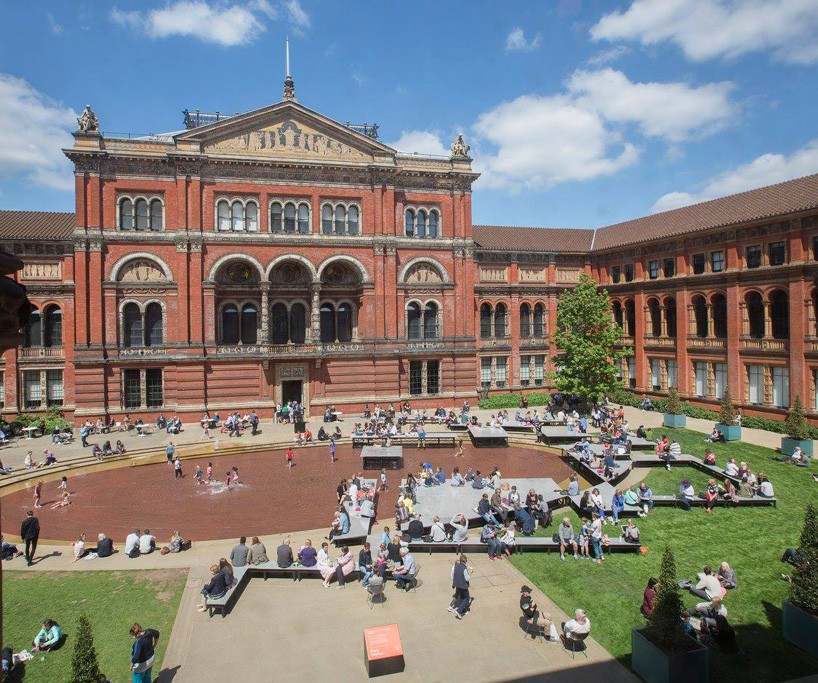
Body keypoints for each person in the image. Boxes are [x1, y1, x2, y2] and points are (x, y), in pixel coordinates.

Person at [450, 554, 474, 620]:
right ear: (466, 561)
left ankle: (461, 608)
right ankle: (459, 611)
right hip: (463, 586)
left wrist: (467, 568)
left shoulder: (457, 565)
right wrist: (470, 572)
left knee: (462, 597)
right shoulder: (464, 569)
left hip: (457, 585)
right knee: (467, 598)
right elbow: (467, 578)